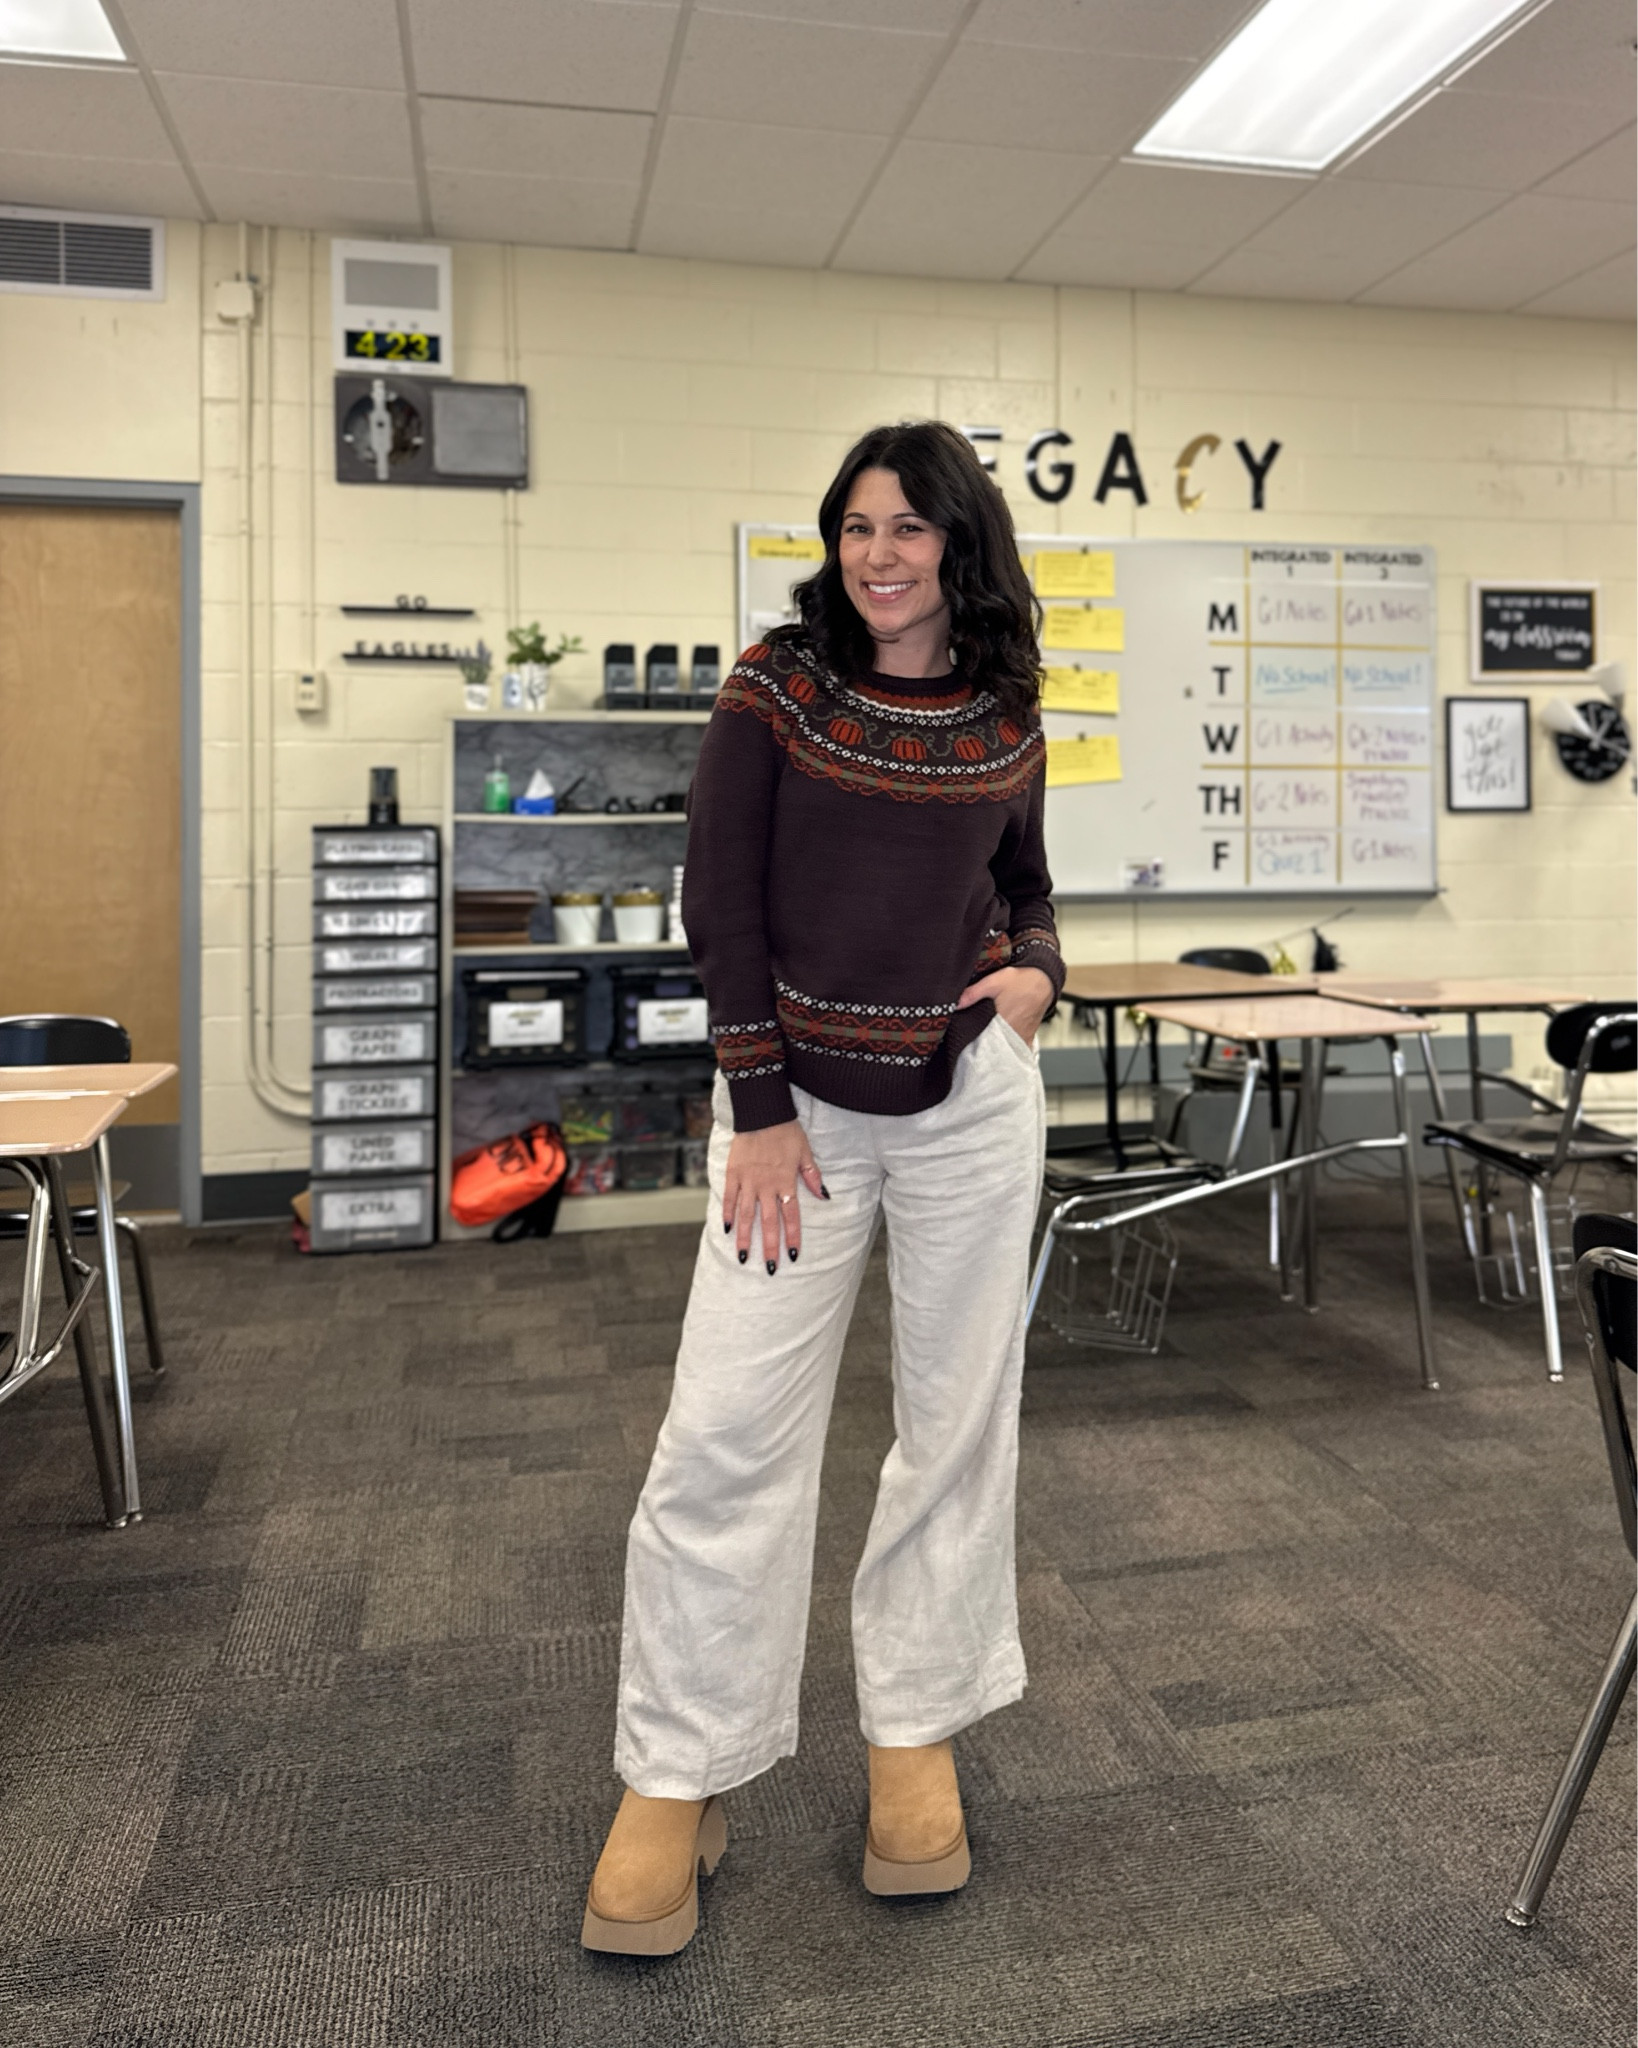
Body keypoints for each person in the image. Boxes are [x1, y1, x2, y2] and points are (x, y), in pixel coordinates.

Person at [582, 420, 1063, 1955]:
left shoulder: (1002, 710)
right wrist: (759, 1107)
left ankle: (911, 1732)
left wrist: (1033, 981)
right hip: (792, 1122)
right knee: (723, 1437)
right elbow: (714, 898)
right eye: (855, 526)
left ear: (958, 545)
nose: (877, 554)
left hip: (965, 1108)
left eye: (909, 528)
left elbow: (1027, 887)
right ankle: (679, 1770)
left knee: (952, 1429)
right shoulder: (775, 684)